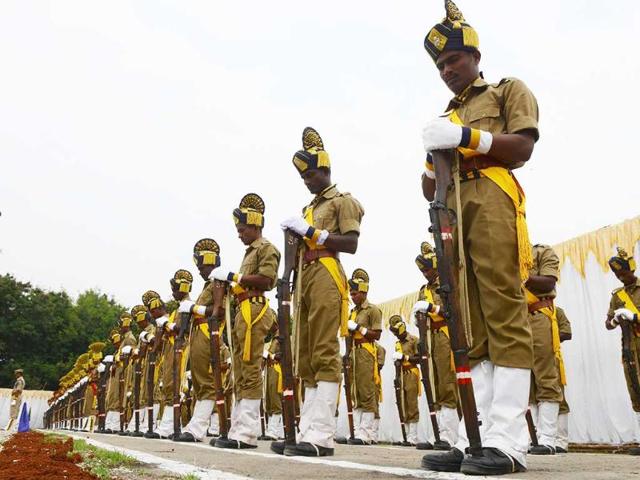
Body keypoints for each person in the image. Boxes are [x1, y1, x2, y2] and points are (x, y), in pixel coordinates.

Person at [420, 0, 538, 474]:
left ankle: (509, 441)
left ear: (474, 55)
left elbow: (523, 146)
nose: (447, 70)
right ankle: (481, 435)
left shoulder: (507, 90)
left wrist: (468, 139)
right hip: (454, 214)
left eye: (454, 60)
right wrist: (433, 152)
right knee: (472, 323)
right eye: (440, 65)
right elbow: (428, 186)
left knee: (503, 311)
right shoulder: (446, 115)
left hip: (491, 200)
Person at [274, 127, 364, 457]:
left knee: (325, 350)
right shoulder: (310, 207)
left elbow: (351, 243)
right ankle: (307, 428)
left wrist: (313, 232)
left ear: (326, 170)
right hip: (306, 278)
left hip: (327, 272)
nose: (308, 181)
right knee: (306, 356)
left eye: (312, 175)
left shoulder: (344, 201)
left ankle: (322, 434)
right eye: (304, 178)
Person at [214, 193, 280, 449]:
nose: (239, 234)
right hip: (242, 309)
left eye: (242, 229)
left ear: (255, 225)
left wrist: (235, 276)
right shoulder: (249, 251)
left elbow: (266, 280)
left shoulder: (267, 249)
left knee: (250, 368)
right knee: (240, 371)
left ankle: (248, 432)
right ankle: (238, 428)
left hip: (255, 308)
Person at [413, 241, 459, 450]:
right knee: (434, 384)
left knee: (447, 385)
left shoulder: (448, 282)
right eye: (422, 270)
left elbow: (455, 309)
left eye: (427, 269)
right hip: (430, 338)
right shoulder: (424, 290)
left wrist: (433, 308)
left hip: (445, 336)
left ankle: (450, 435)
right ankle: (437, 434)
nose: (425, 274)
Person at [175, 239, 220, 442]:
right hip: (198, 333)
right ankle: (196, 426)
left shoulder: (218, 282)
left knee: (206, 382)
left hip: (207, 331)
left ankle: (198, 427)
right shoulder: (207, 285)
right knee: (200, 383)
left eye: (202, 267)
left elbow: (219, 310)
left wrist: (194, 308)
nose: (200, 271)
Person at [525, 244, 563, 455]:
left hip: (538, 314)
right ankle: (533, 436)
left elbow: (548, 281)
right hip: (516, 317)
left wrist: (520, 276)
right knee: (524, 379)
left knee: (545, 375)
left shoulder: (541, 252)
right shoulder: (504, 253)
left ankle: (548, 437)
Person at [605, 248, 640, 456]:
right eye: (618, 275)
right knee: (635, 389)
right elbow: (607, 323)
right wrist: (614, 320)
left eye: (623, 274)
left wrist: (635, 318)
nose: (621, 278)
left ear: (631, 270)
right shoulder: (617, 296)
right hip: (629, 348)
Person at [345, 268, 382, 445]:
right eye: (351, 294)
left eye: (355, 293)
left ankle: (367, 433)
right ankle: (359, 430)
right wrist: (346, 354)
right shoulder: (352, 312)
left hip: (366, 351)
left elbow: (377, 335)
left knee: (367, 391)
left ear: (364, 291)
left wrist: (359, 329)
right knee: (356, 392)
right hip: (354, 352)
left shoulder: (372, 310)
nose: (352, 296)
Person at [141, 290, 172, 439]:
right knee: (160, 392)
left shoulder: (168, 320)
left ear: (160, 308)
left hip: (168, 359)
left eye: (153, 311)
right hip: (162, 361)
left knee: (164, 392)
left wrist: (150, 337)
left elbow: (160, 345)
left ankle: (163, 424)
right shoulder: (158, 323)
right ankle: (158, 424)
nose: (151, 315)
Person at [389, 315, 421, 446]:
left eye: (397, 332)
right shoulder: (397, 344)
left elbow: (419, 359)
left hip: (411, 373)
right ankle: (406, 436)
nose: (396, 335)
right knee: (403, 404)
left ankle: (413, 436)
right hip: (401, 374)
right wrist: (396, 377)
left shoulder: (414, 340)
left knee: (412, 403)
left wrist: (405, 357)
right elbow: (397, 363)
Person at [554, 306, 572, 453]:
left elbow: (566, 333)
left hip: (551, 358)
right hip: (530, 358)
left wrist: (547, 338)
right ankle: (535, 439)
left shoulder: (556, 311)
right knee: (531, 399)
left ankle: (561, 441)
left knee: (559, 398)